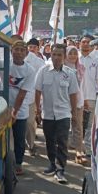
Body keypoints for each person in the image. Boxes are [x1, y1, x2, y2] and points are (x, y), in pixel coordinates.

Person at [35, 44, 78, 184]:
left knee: (62, 142)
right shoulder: (43, 71)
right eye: (54, 54)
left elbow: (73, 95)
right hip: (48, 114)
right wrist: (37, 109)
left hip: (63, 114)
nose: (56, 57)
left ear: (64, 57)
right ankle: (52, 164)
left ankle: (60, 169)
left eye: (60, 55)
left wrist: (74, 113)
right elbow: (37, 91)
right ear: (51, 55)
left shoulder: (70, 74)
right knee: (49, 141)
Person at [9, 40, 36, 175]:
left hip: (20, 110)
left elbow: (22, 93)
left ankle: (18, 163)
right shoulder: (3, 64)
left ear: (26, 53)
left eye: (21, 50)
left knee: (19, 138)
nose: (18, 52)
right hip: (3, 109)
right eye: (16, 49)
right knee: (3, 138)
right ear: (11, 51)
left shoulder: (30, 71)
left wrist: (14, 111)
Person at [65, 45, 88, 165]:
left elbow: (83, 86)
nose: (73, 56)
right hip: (64, 102)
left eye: (75, 53)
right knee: (63, 128)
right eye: (70, 53)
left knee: (78, 127)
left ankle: (79, 152)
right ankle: (62, 151)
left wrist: (85, 100)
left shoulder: (81, 68)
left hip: (78, 102)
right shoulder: (61, 68)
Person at [24, 38, 46, 156]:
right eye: (30, 47)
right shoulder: (16, 60)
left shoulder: (40, 63)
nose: (31, 49)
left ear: (38, 48)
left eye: (34, 47)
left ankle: (31, 145)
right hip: (16, 97)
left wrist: (40, 102)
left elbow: (41, 83)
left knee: (30, 123)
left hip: (32, 97)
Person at [80, 35, 98, 158]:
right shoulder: (74, 58)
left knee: (89, 125)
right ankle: (77, 146)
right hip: (76, 97)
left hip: (91, 96)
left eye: (88, 42)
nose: (86, 44)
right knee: (77, 123)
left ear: (92, 45)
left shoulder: (96, 61)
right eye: (83, 42)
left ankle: (88, 148)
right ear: (80, 44)